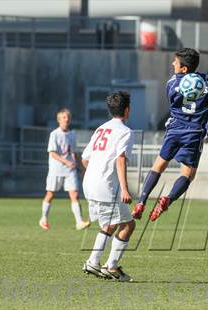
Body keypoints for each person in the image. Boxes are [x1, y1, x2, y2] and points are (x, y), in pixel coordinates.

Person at [133, 48, 208, 222]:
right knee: (188, 175)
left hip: (174, 130)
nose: (173, 64)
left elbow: (172, 102)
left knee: (158, 166)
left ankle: (141, 201)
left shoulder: (172, 83)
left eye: (175, 62)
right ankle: (167, 199)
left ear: (184, 69)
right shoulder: (207, 82)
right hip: (194, 133)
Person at [81, 91, 135, 281]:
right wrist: (125, 188)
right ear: (127, 110)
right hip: (106, 187)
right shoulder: (125, 132)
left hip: (89, 183)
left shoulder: (101, 128)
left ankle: (94, 261)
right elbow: (121, 160)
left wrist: (96, 173)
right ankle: (110, 266)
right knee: (128, 224)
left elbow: (85, 159)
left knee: (110, 224)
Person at [39, 108, 90, 231]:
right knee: (50, 194)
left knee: (75, 195)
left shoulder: (72, 134)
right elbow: (53, 153)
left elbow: (74, 152)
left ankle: (79, 222)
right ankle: (43, 218)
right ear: (59, 120)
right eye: (64, 117)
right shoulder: (54, 134)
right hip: (56, 170)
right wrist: (66, 161)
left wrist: (81, 166)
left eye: (68, 117)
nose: (67, 119)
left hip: (70, 170)